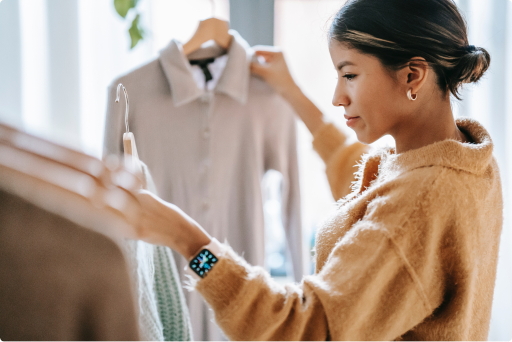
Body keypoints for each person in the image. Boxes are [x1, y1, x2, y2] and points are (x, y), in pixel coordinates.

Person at [131, 0, 503, 340]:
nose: (337, 96)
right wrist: (292, 92)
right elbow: (366, 194)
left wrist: (188, 240)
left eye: (350, 75)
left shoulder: (420, 202)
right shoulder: (467, 161)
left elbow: (304, 328)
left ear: (412, 76)